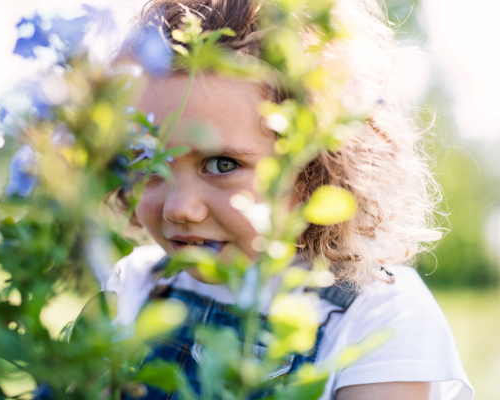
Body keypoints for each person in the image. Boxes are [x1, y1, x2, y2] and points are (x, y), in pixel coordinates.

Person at [104, 0, 474, 399]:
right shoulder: (135, 286)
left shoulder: (380, 315)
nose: (178, 207)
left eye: (222, 164)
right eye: (149, 162)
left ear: (314, 166)